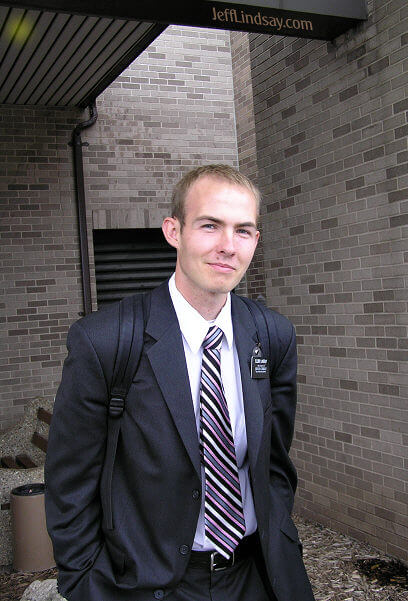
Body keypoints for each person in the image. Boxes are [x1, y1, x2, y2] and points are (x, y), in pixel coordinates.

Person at [45, 164, 315, 601]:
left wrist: (281, 540)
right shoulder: (106, 341)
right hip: (151, 583)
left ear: (255, 242)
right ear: (174, 231)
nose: (228, 246)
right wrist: (85, 584)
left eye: (243, 231)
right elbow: (69, 484)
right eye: (210, 226)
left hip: (255, 576)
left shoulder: (273, 335)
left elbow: (274, 464)